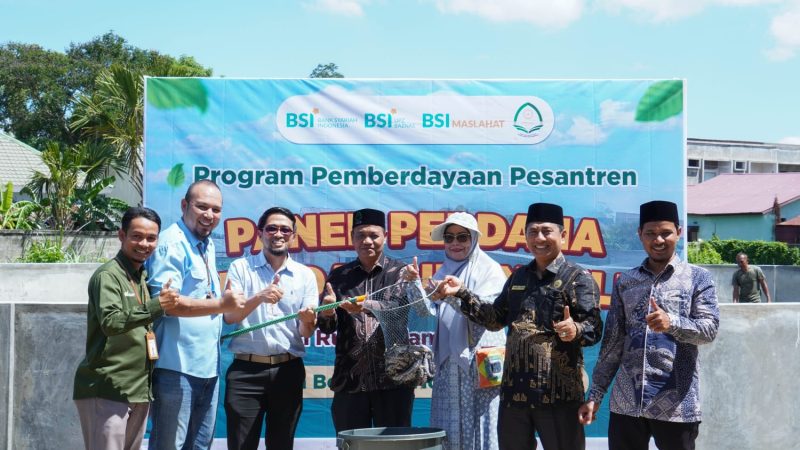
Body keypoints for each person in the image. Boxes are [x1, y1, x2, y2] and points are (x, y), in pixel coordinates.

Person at [432, 203, 603, 450]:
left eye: (547, 231)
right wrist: (461, 293)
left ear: (563, 236)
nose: (539, 238)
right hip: (514, 397)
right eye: (533, 232)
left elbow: (594, 329)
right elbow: (493, 319)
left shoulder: (577, 278)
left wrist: (575, 330)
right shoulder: (518, 277)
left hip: (557, 397)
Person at [578, 200, 720, 450]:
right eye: (650, 234)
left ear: (679, 232)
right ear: (640, 235)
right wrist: (596, 396)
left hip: (676, 404)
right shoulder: (626, 282)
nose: (658, 240)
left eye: (666, 233)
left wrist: (672, 322)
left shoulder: (698, 278)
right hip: (626, 403)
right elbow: (612, 344)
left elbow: (709, 330)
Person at [145, 180, 247, 450]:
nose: (209, 215)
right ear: (184, 205)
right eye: (202, 207)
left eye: (216, 209)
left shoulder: (206, 244)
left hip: (207, 368)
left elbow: (206, 297)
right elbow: (167, 303)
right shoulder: (171, 244)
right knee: (170, 446)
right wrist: (221, 305)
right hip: (175, 368)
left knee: (200, 446)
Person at [73, 207, 181, 450]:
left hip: (139, 390)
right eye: (137, 236)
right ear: (122, 236)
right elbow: (111, 322)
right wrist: (157, 305)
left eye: (151, 238)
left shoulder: (141, 275)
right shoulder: (108, 276)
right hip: (108, 390)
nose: (144, 244)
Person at [403, 212, 507, 450]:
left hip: (481, 363)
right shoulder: (443, 272)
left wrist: (453, 296)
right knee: (449, 430)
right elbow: (426, 314)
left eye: (462, 237)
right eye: (449, 238)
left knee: (482, 427)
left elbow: (488, 315)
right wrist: (414, 284)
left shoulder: (490, 270)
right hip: (450, 363)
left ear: (474, 239)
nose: (455, 244)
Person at [223, 207, 319, 450]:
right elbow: (230, 316)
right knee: (241, 445)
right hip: (246, 372)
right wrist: (260, 296)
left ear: (293, 235)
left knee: (281, 444)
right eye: (272, 228)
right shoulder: (240, 268)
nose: (278, 234)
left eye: (285, 229)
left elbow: (306, 333)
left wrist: (309, 320)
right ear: (260, 233)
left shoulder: (305, 275)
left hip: (288, 370)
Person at [317, 208, 414, 432]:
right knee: (352, 445)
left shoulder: (401, 273)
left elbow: (399, 312)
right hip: (349, 381)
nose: (367, 241)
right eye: (360, 235)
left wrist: (366, 306)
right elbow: (327, 328)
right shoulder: (339, 276)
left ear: (385, 237)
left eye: (373, 235)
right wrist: (327, 313)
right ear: (352, 238)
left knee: (395, 447)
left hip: (393, 380)